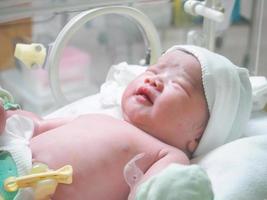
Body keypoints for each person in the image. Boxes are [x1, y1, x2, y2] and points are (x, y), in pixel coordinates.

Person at [0, 45, 252, 200]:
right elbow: (40, 125)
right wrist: (11, 117)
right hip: (10, 157)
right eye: (153, 71)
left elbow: (153, 192)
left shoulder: (168, 155)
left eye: (179, 83)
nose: (154, 80)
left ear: (199, 135)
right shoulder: (97, 117)